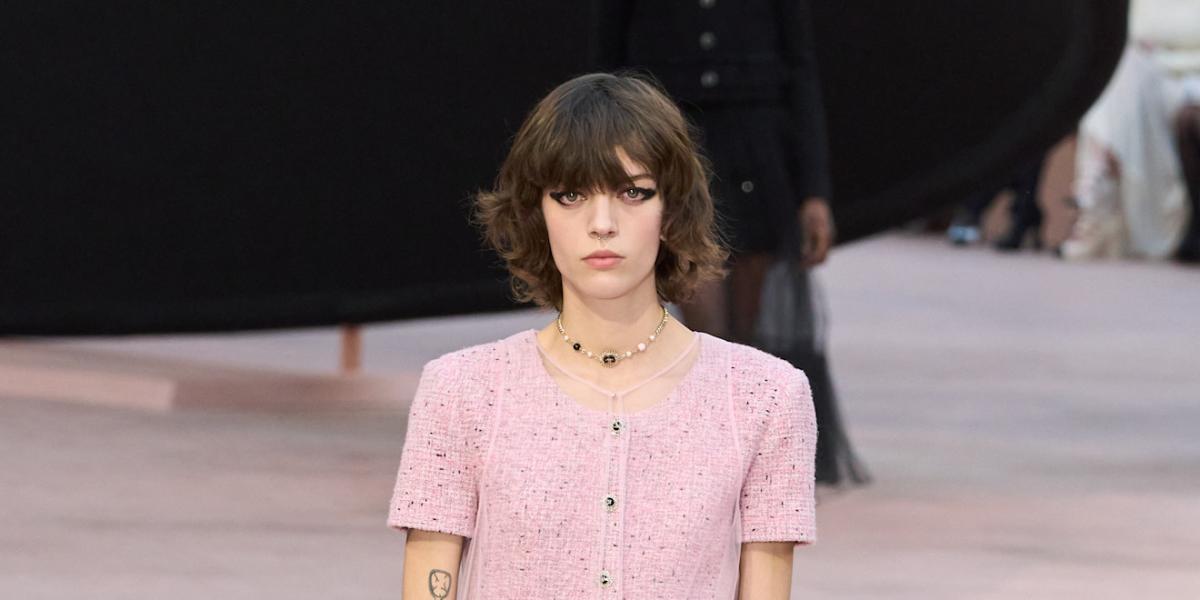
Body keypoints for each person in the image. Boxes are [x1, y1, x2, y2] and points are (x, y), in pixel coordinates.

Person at [388, 73, 818, 599]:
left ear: (671, 210)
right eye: (570, 194)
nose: (602, 223)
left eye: (633, 192)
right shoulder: (463, 391)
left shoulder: (763, 398)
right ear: (536, 213)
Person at [590, 0, 868, 486]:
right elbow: (606, 70)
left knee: (746, 334)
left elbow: (801, 73)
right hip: (672, 146)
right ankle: (706, 461)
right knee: (704, 326)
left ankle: (743, 465)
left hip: (758, 148)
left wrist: (814, 191)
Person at [1060, 0, 1200, 260]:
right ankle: (1092, 189)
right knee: (1118, 72)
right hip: (1155, 83)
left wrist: (1165, 52)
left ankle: (1091, 199)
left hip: (1191, 83)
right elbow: (1132, 33)